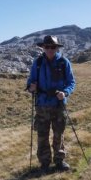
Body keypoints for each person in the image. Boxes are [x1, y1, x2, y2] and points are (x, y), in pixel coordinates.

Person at [26, 35, 76, 172]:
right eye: (47, 47)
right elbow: (31, 82)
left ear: (56, 48)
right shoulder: (38, 63)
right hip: (41, 105)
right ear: (43, 47)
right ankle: (44, 163)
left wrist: (65, 93)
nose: (49, 49)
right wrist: (31, 87)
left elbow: (71, 82)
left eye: (52, 47)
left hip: (58, 104)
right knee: (42, 135)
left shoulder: (63, 62)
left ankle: (59, 161)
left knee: (58, 134)